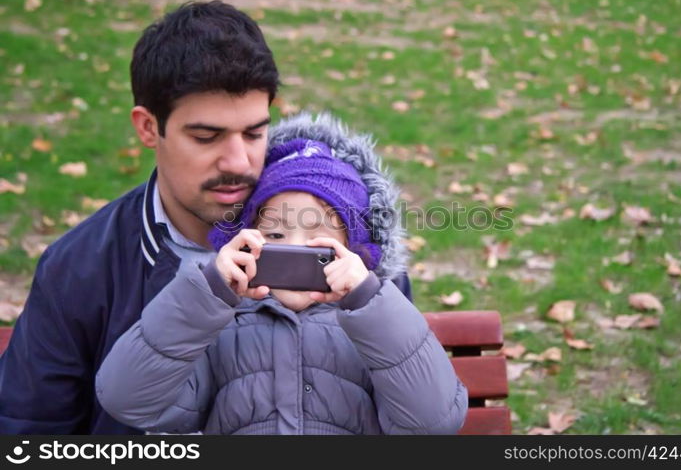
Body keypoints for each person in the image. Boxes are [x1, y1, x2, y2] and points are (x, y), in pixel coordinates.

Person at [0, 1, 412, 434]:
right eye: (206, 136)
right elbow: (29, 434)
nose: (238, 161)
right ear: (147, 127)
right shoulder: (80, 268)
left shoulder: (348, 238)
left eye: (254, 132)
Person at [95, 132, 467, 434]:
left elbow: (432, 422)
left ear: (355, 250)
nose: (294, 249)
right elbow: (128, 399)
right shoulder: (221, 324)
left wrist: (367, 300)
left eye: (319, 237)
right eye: (274, 234)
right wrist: (207, 294)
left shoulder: (370, 326)